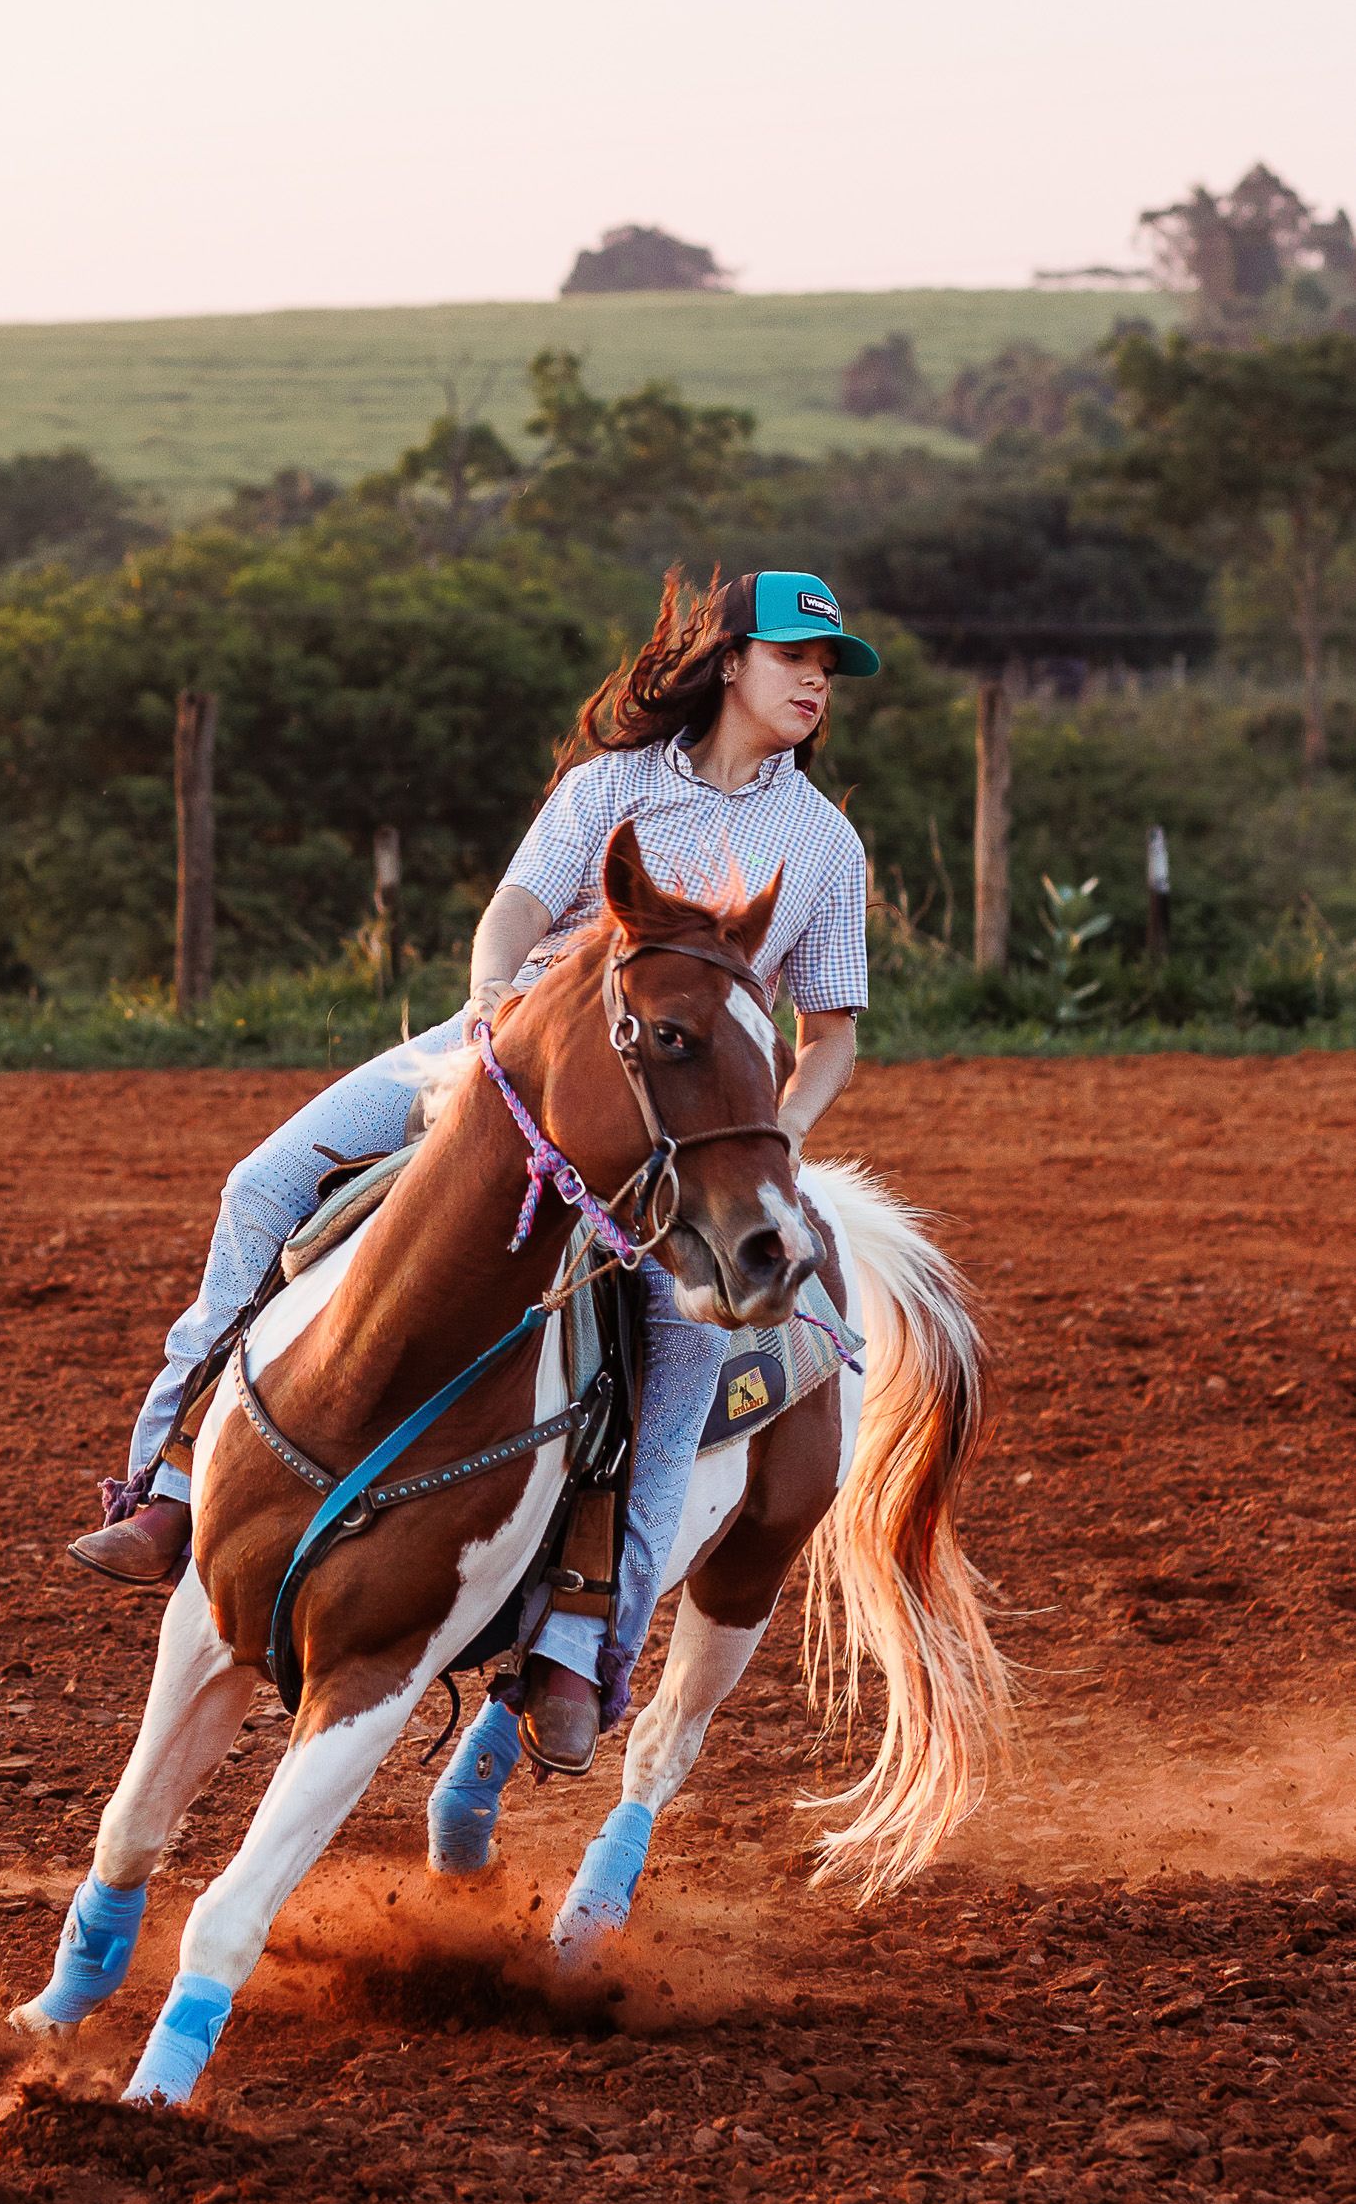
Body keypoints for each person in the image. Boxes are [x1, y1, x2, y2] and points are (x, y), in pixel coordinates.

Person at [69, 569, 878, 1774]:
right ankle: (170, 1481)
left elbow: (833, 1035)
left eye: (828, 668)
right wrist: (496, 1008)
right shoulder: (605, 789)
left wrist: (775, 1132)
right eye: (792, 658)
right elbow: (510, 916)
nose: (815, 682)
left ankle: (578, 1641)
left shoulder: (822, 841)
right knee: (262, 1180)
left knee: (686, 1344)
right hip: (508, 1052)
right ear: (727, 663)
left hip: (674, 1118)